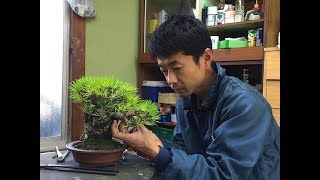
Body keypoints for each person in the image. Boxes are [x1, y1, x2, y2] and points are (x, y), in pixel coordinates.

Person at [112, 14, 280, 179]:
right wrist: (153, 144)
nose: (170, 80)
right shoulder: (187, 100)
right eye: (164, 71)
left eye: (177, 68)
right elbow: (185, 152)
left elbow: (223, 174)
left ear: (206, 58)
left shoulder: (245, 105)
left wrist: (157, 152)